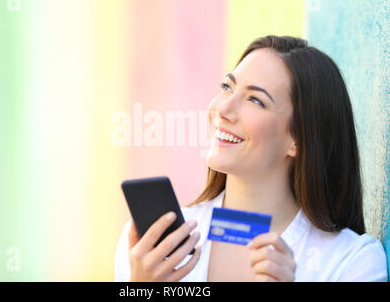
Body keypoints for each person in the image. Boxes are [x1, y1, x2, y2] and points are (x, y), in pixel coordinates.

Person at [114, 35, 388, 281]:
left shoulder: (351, 262)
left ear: (298, 139)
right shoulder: (149, 250)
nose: (223, 108)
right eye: (227, 87)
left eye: (256, 100)